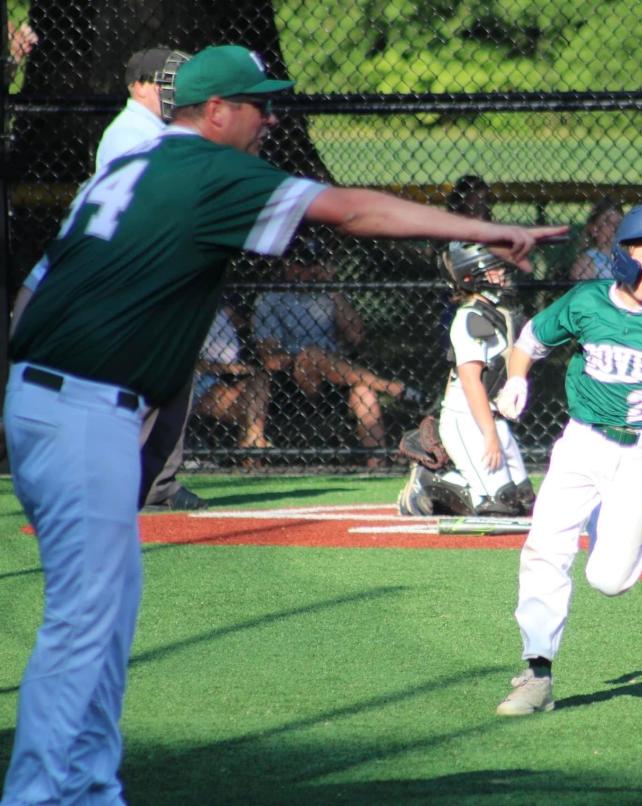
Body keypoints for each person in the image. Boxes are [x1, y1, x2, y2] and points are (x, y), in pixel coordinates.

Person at [0, 43, 565, 803]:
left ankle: (90, 788)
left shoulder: (129, 166)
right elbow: (355, 209)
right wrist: (482, 230)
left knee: (104, 608)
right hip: (83, 407)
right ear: (217, 111)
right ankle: (40, 796)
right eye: (259, 104)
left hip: (47, 399)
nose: (271, 118)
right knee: (84, 618)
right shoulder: (209, 168)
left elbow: (37, 291)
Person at [491, 204, 642, 716]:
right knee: (544, 548)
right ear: (623, 255)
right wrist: (516, 378)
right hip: (583, 442)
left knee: (611, 580)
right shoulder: (587, 301)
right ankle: (537, 671)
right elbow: (529, 341)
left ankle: (608, 517)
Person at [10, 45, 206, 511]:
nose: (176, 92)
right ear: (139, 86)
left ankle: (156, 484)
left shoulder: (163, 131)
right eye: (167, 83)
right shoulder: (131, 132)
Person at [397, 241, 535, 517]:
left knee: (524, 501)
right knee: (498, 505)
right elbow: (472, 382)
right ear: (470, 277)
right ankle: (429, 481)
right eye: (492, 271)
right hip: (467, 419)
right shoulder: (470, 318)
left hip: (490, 417)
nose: (501, 276)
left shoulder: (497, 312)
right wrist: (490, 434)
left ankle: (474, 483)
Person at [251, 242, 421, 468]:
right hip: (289, 383)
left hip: (335, 378)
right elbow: (270, 359)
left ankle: (377, 462)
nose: (307, 271)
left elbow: (356, 336)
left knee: (364, 391)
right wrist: (305, 357)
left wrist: (333, 288)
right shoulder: (270, 300)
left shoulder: (327, 296)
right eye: (301, 264)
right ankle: (392, 387)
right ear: (287, 265)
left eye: (314, 265)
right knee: (311, 355)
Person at [193, 304, 272, 465]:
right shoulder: (191, 314)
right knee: (251, 412)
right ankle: (254, 448)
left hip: (231, 377)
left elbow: (246, 325)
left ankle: (253, 441)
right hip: (203, 379)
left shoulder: (222, 311)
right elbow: (192, 363)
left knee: (259, 380)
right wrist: (228, 368)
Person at [569, 197, 623, 281]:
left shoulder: (630, 256)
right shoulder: (587, 261)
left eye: (618, 223)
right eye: (607, 223)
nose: (614, 228)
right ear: (594, 229)